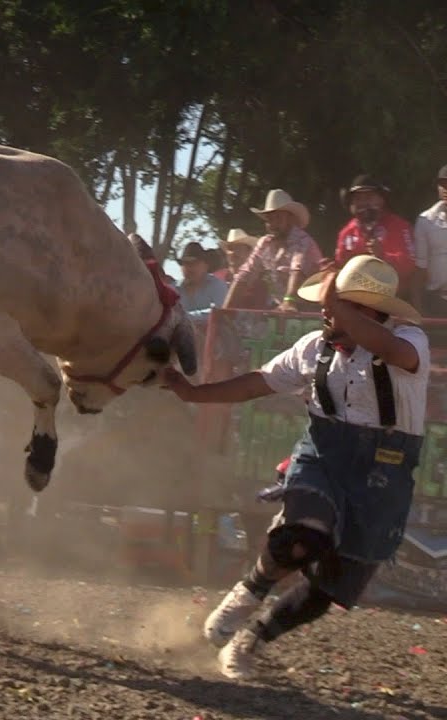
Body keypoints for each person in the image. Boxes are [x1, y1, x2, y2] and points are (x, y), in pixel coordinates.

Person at [163, 255, 429, 680]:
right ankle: (241, 601)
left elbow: (393, 351)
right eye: (329, 305)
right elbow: (256, 382)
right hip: (324, 456)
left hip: (383, 475)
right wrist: (195, 395)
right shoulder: (314, 347)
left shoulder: (410, 340)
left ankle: (247, 641)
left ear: (369, 313)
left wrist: (340, 307)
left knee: (328, 586)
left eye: (339, 304)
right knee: (301, 537)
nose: (325, 312)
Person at [224, 189, 323, 313]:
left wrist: (288, 301)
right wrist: (225, 310)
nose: (273, 224)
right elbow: (245, 274)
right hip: (285, 309)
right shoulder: (265, 243)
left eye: (278, 218)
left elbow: (297, 270)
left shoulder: (302, 240)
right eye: (269, 219)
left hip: (313, 309)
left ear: (291, 219)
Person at [335, 175, 419, 305]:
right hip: (355, 303)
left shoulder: (400, 227)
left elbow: (410, 265)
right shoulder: (346, 233)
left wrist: (383, 256)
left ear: (382, 199)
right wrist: (330, 268)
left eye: (368, 197)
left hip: (395, 302)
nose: (363, 203)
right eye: (358, 199)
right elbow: (340, 267)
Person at [413, 164, 447, 317]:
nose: (446, 188)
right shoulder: (426, 220)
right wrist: (418, 308)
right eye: (443, 184)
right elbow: (420, 267)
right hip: (438, 300)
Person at [177, 241, 229, 315]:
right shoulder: (173, 289)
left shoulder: (217, 286)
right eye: (186, 263)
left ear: (205, 265)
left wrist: (185, 317)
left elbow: (219, 313)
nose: (190, 267)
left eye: (195, 263)